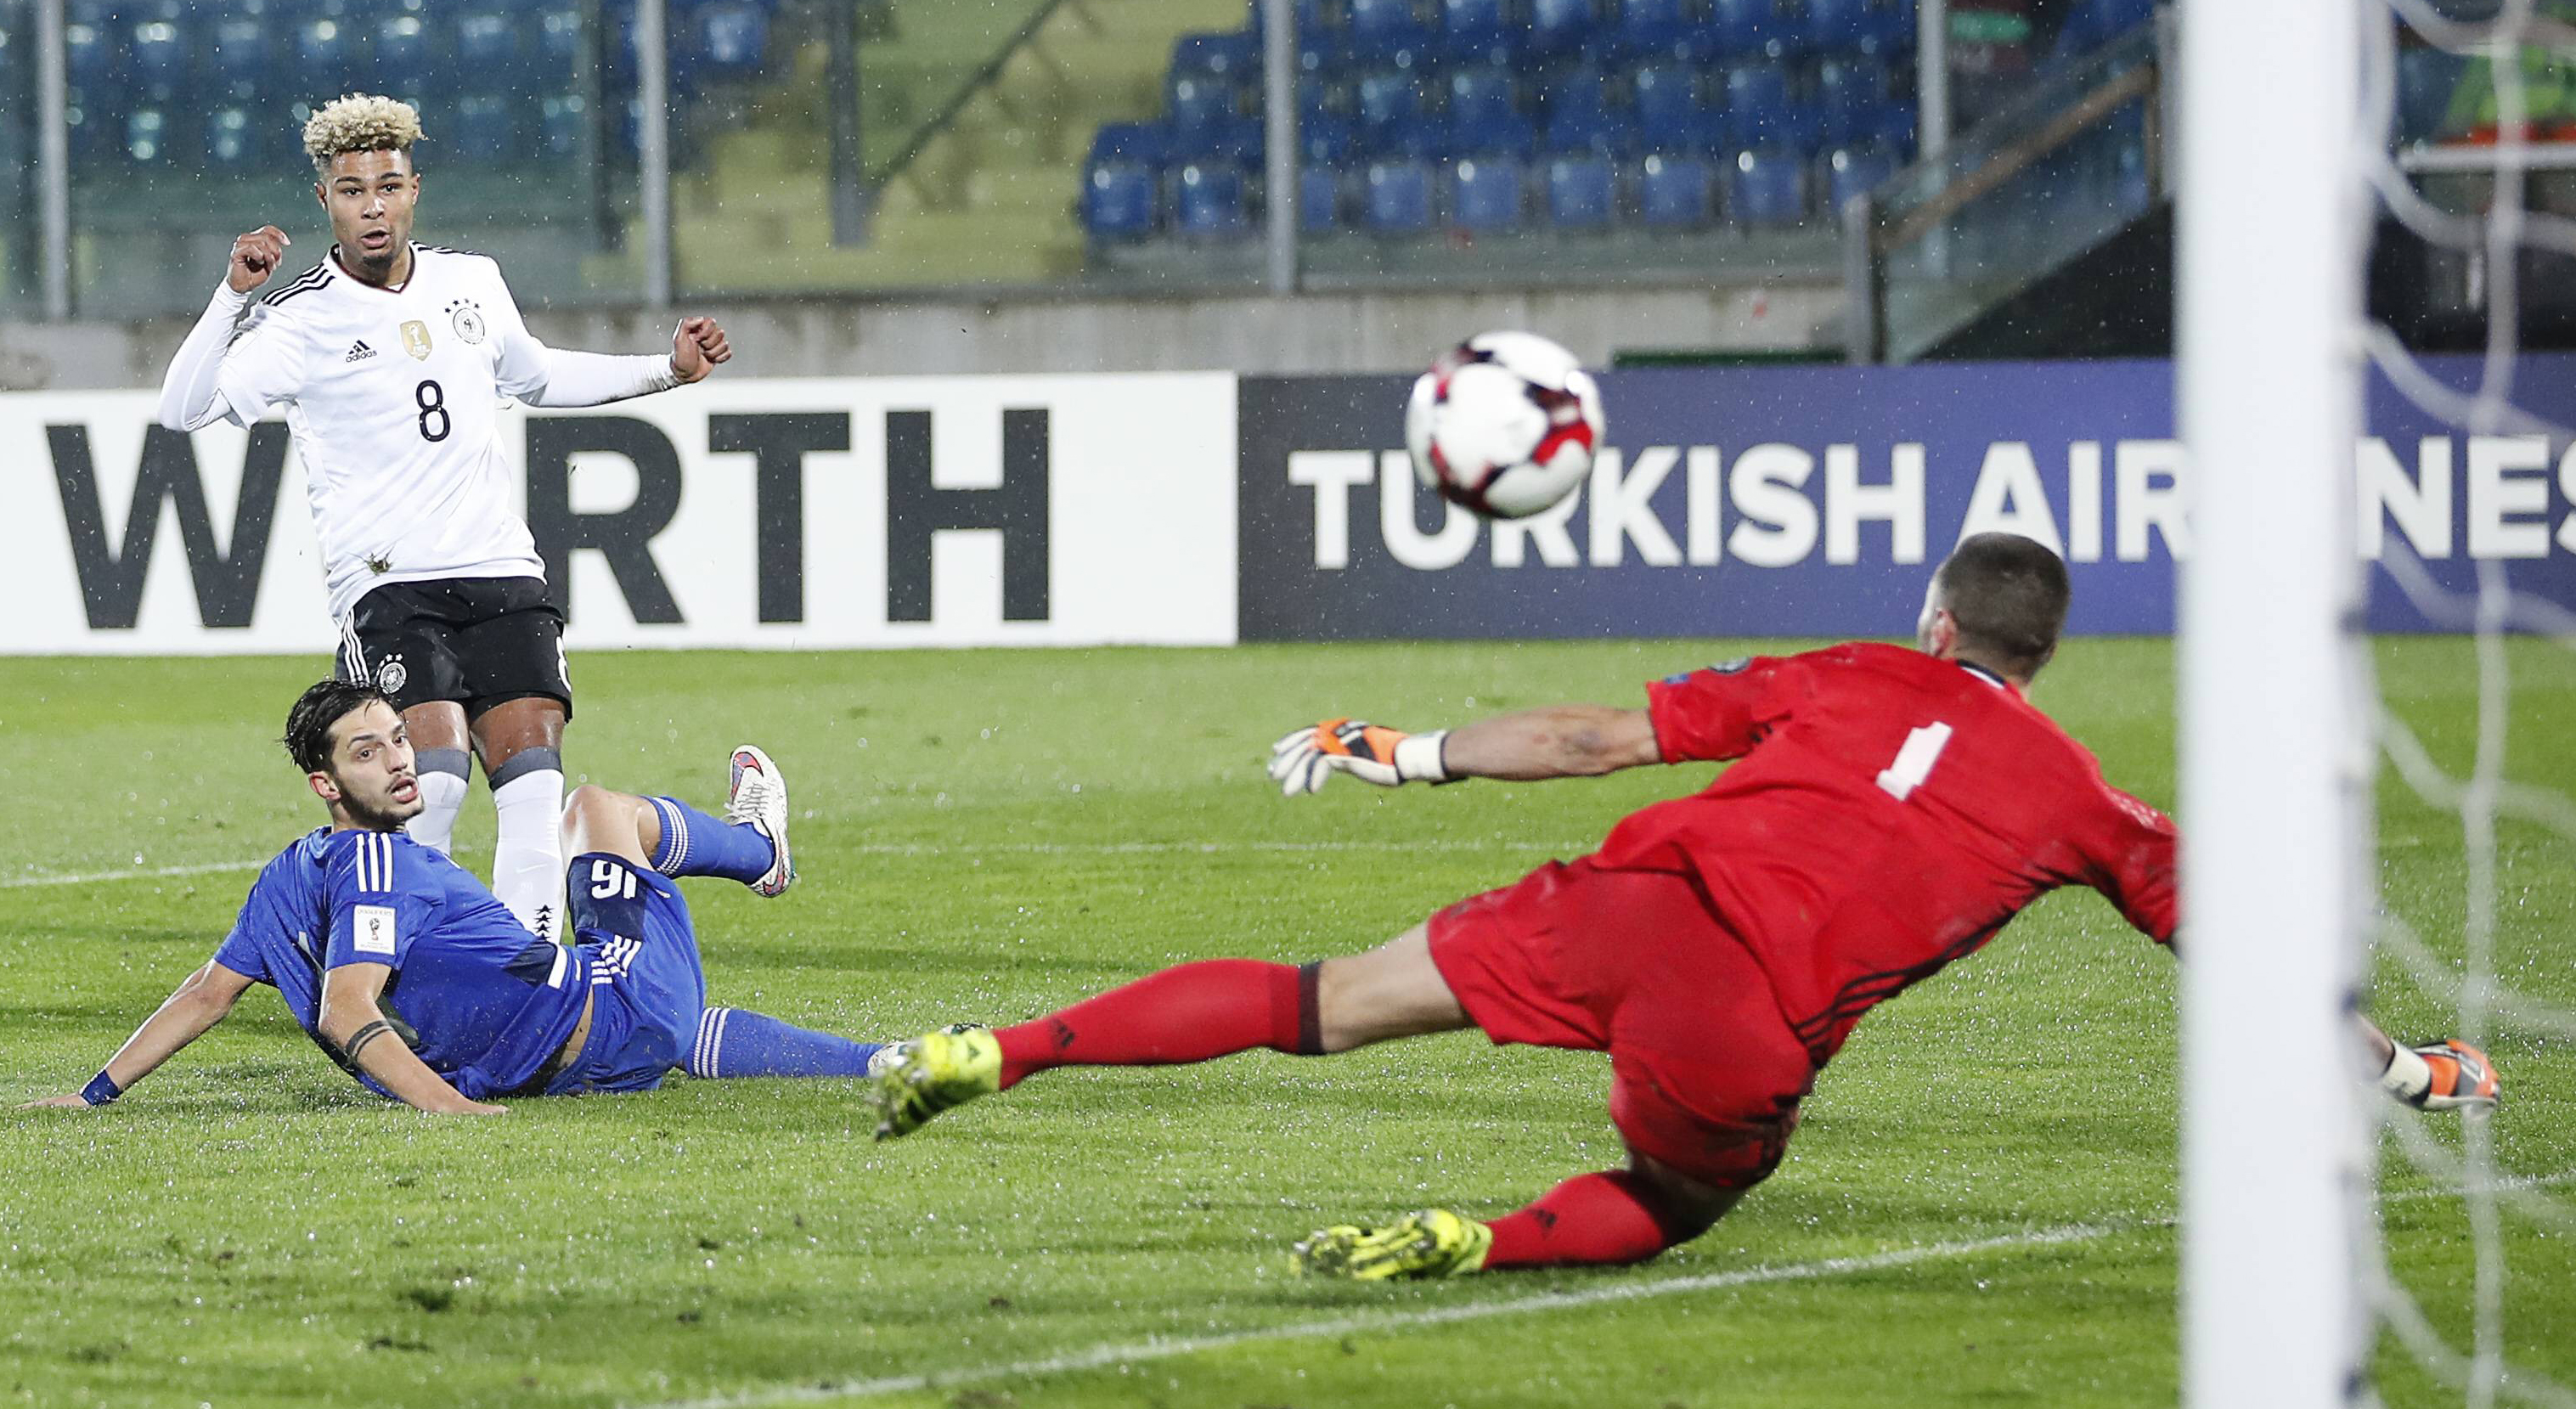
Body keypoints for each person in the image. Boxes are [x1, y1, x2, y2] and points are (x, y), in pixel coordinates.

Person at [869, 533, 2502, 1279]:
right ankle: (1479, 1236)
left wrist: (1402, 747)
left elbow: (1591, 738)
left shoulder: (1846, 668)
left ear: (1932, 616)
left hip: (1629, 895)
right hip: (1741, 1013)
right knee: (1682, 1194)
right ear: (2038, 657)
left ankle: (997, 1046)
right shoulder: (2093, 804)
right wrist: (2408, 1072)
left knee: (1315, 999)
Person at [155, 93, 738, 943]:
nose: (373, 207)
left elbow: (535, 377)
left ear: (415, 189)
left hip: (501, 568)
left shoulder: (473, 282)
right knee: (432, 783)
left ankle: (525, 977)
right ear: (326, 202)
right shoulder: (300, 318)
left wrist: (668, 371)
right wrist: (232, 297)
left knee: (533, 785)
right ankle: (396, 969)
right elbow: (182, 409)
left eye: (387, 187)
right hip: (391, 587)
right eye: (352, 191)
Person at [20, 680, 886, 1114]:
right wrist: (452, 1114)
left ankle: (881, 1062)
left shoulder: (291, 871)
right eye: (368, 753)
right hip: (612, 1018)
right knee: (593, 811)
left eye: (399, 740)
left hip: (565, 1062)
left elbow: (208, 993)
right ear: (325, 782)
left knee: (668, 1021)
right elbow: (342, 1009)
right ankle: (762, 851)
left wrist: (93, 1094)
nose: (400, 761)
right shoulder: (374, 867)